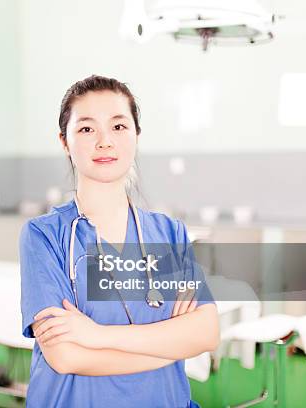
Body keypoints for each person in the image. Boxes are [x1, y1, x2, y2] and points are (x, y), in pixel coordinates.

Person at [19, 75, 220, 407]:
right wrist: (169, 346)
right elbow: (66, 356)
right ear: (64, 142)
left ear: (136, 136)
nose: (104, 141)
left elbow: (207, 332)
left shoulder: (168, 234)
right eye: (86, 129)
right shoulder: (44, 235)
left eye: (118, 127)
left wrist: (96, 336)